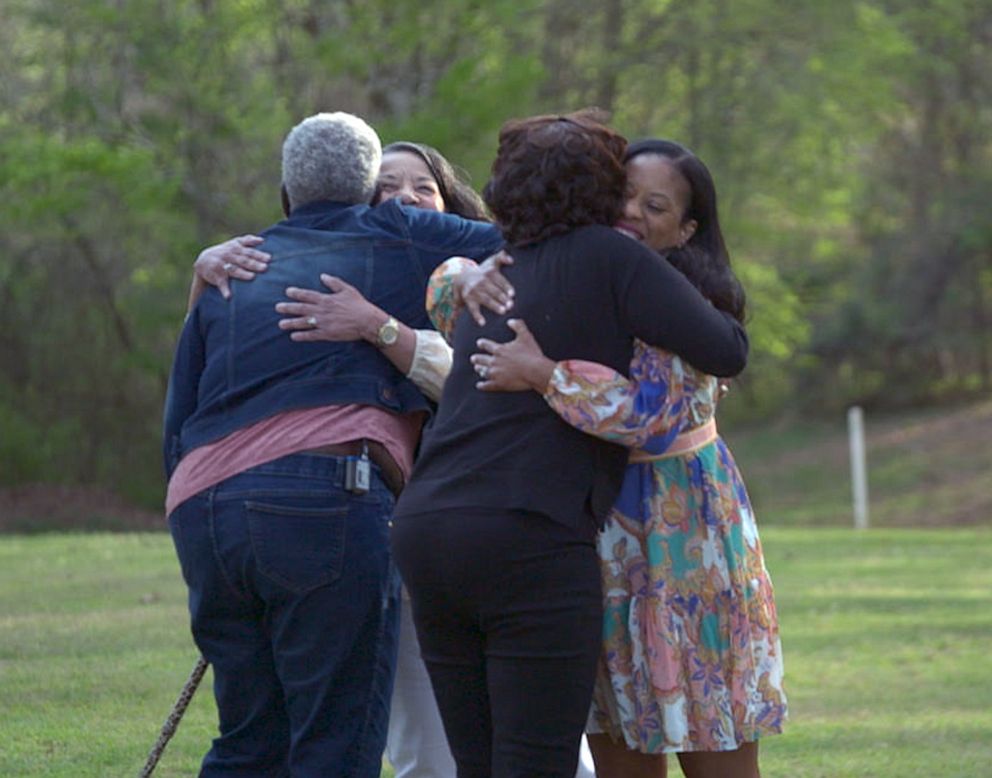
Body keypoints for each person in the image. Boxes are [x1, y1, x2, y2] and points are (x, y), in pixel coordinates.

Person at [193, 139, 599, 778]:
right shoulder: (330, 292)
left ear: (443, 207)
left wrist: (381, 325)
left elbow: (478, 378)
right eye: (387, 188)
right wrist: (205, 267)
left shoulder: (490, 288)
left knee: (535, 740)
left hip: (493, 530)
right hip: (383, 528)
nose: (405, 199)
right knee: (421, 751)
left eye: (422, 189)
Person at [390, 111, 749, 778]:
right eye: (624, 196)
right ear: (597, 195)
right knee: (534, 762)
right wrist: (465, 275)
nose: (633, 213)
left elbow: (676, 396)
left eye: (654, 204)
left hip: (432, 526)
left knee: (483, 762)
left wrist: (538, 365)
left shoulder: (519, 265)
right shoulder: (597, 260)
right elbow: (730, 349)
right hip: (531, 534)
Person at [163, 112, 503, 777]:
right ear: (369, 188)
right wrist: (462, 265)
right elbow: (536, 240)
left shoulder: (236, 265)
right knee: (335, 746)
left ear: (287, 191)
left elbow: (180, 415)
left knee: (248, 742)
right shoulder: (397, 235)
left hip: (203, 512)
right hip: (322, 502)